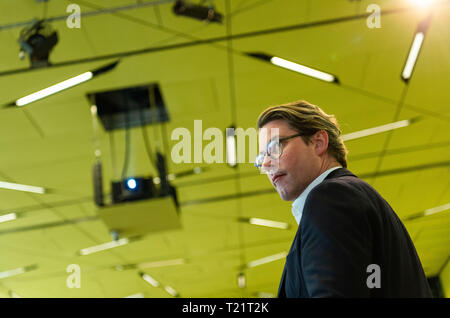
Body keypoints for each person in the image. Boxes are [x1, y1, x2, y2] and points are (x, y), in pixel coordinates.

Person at [255, 100, 432, 298]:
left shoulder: (331, 199)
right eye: (261, 159)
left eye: (274, 147)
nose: (266, 164)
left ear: (319, 142)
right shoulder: (350, 198)